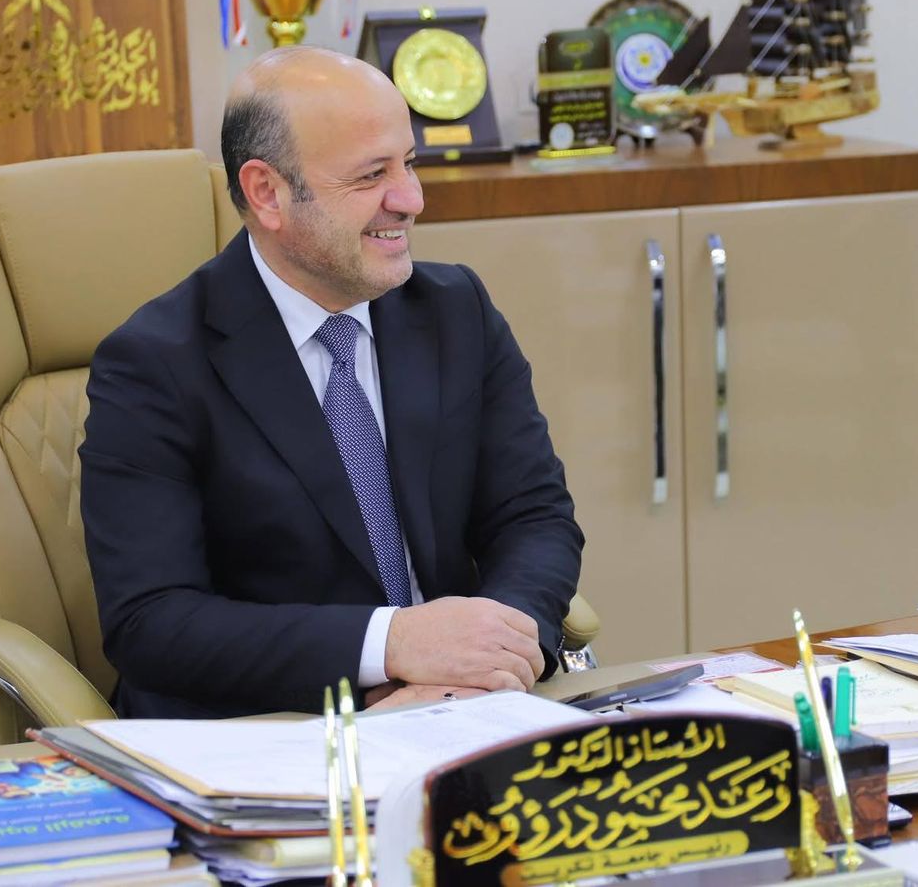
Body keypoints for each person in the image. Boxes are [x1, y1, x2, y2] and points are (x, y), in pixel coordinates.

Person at [80, 46, 584, 719]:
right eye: (372, 175)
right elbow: (152, 621)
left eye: (410, 163)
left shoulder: (455, 311)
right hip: (266, 735)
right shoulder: (154, 364)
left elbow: (533, 518)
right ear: (268, 193)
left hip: (464, 710)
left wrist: (492, 656)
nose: (411, 200)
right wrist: (391, 646)